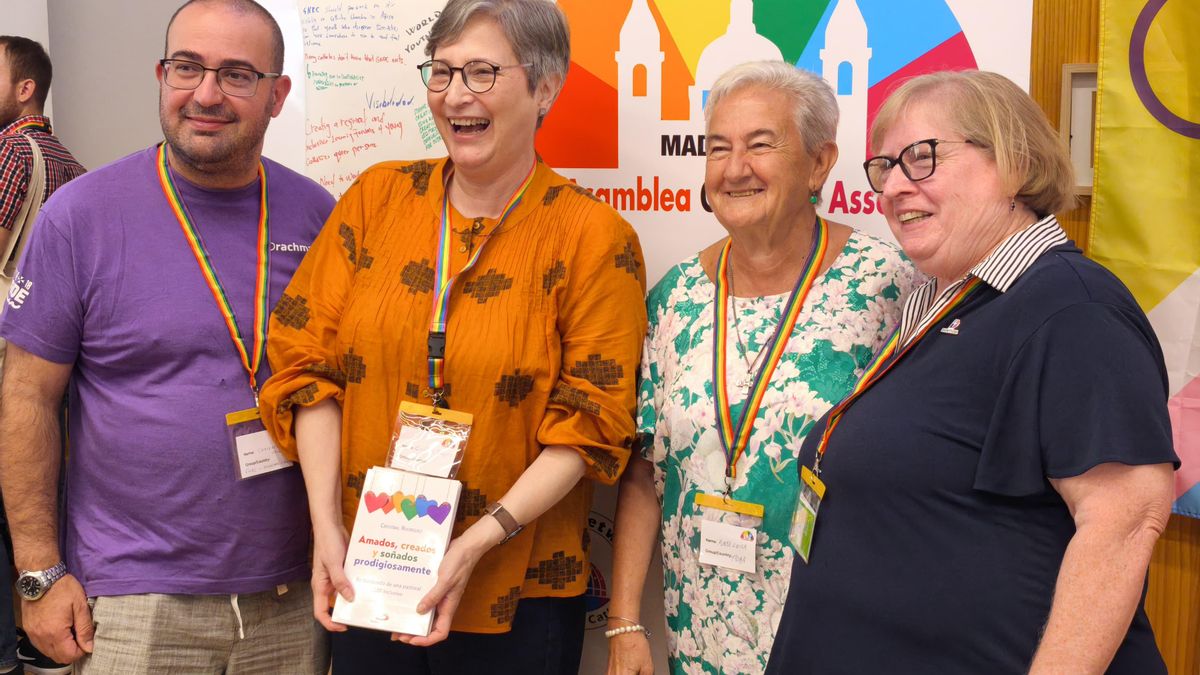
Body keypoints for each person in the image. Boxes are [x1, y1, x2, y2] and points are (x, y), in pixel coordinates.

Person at [257, 0, 646, 673]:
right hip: (369, 568)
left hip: (517, 587)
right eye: (442, 72)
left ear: (545, 87)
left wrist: (475, 543)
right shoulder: (376, 199)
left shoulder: (593, 237)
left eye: (482, 72)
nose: (455, 95)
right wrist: (327, 525)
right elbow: (304, 368)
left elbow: (593, 421)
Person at [766, 70, 1177, 674]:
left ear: (1013, 162)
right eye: (885, 167)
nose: (894, 187)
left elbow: (1125, 522)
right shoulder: (942, 299)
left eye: (921, 158)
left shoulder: (1073, 308)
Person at [0, 1, 335, 673]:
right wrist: (38, 572)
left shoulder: (318, 216)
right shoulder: (82, 216)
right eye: (187, 67)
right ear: (161, 75)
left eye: (236, 74)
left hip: (293, 592)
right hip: (133, 599)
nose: (205, 94)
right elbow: (27, 398)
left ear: (277, 96)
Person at [606, 61, 919, 675]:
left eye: (760, 145)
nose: (734, 168)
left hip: (844, 630)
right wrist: (623, 622)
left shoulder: (888, 286)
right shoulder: (675, 299)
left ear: (819, 163)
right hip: (702, 633)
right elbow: (645, 471)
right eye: (718, 148)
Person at [0, 34, 84, 675]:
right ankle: (42, 639)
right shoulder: (72, 165)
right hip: (57, 353)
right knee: (42, 490)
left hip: (9, 353)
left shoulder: (9, 152)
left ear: (25, 88)